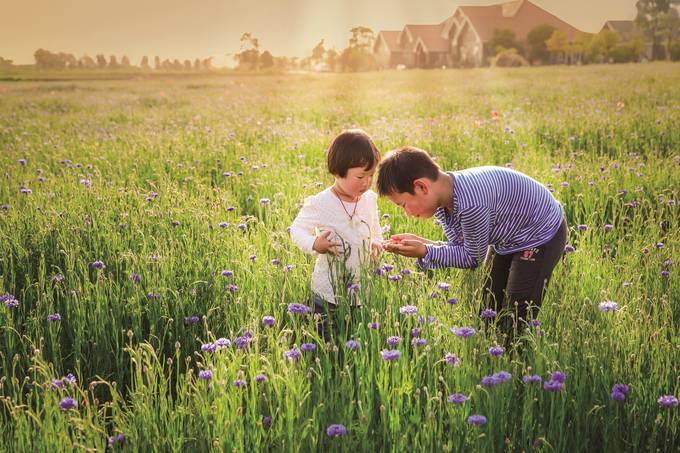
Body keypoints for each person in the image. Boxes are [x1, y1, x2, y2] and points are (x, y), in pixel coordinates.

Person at [377, 146, 567, 336]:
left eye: (403, 205)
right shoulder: (445, 197)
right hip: (511, 236)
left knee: (515, 317)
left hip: (540, 234)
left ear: (421, 187)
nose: (407, 213)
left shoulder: (471, 205)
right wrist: (424, 244)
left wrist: (426, 250)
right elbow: (460, 248)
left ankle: (514, 360)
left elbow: (472, 258)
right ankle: (490, 353)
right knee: (488, 308)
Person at [290, 129, 383, 341]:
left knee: (355, 338)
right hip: (328, 292)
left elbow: (375, 226)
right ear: (338, 171)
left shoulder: (369, 199)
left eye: (371, 175)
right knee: (327, 339)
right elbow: (296, 229)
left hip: (362, 289)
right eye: (360, 176)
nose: (366, 183)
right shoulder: (321, 202)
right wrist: (315, 243)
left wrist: (377, 242)